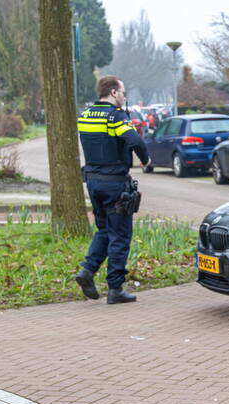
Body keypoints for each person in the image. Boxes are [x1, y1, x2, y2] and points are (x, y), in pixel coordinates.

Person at [74, 75, 149, 304]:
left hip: (93, 183)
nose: (125, 96)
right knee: (121, 234)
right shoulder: (115, 117)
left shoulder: (85, 115)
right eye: (123, 92)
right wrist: (145, 160)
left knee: (104, 230)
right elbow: (135, 141)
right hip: (114, 184)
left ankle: (87, 271)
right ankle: (115, 289)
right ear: (114, 93)